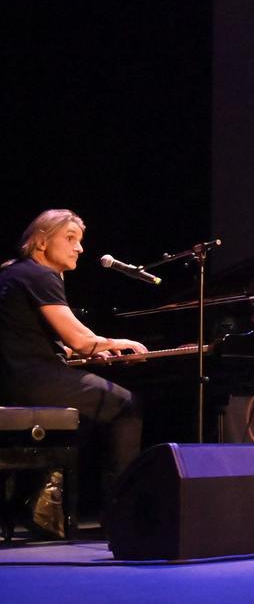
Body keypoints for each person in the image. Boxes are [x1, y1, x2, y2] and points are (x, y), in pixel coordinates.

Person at [0, 210, 146, 530]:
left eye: (80, 241)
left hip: (12, 378)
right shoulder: (41, 275)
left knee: (92, 413)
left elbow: (22, 335)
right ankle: (122, 515)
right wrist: (115, 342)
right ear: (41, 240)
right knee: (126, 406)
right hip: (33, 379)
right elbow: (81, 340)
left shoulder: (13, 273)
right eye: (69, 239)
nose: (79, 248)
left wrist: (74, 349)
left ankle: (44, 497)